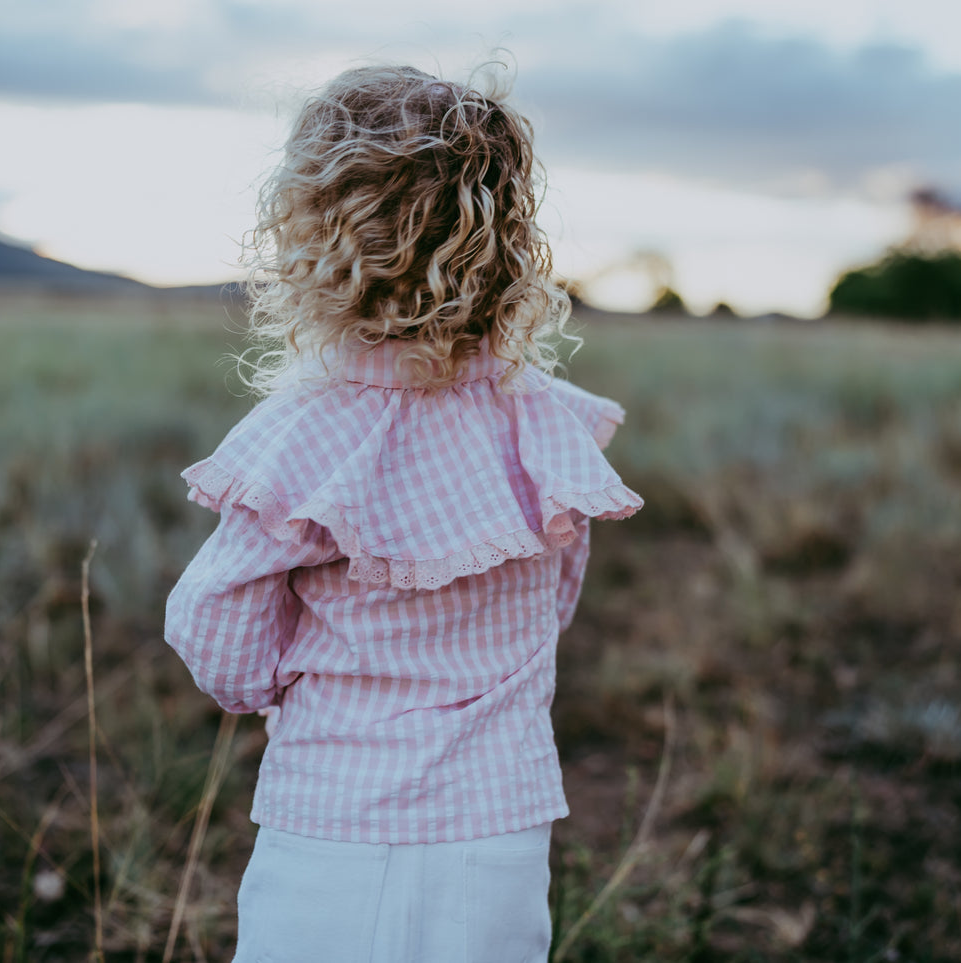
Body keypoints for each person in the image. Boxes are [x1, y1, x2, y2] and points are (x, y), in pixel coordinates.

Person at [164, 63, 641, 963]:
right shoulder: (540, 417)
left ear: (311, 234)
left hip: (331, 817)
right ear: (506, 239)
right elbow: (557, 591)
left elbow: (215, 625)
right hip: (497, 830)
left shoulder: (309, 427)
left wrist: (270, 685)